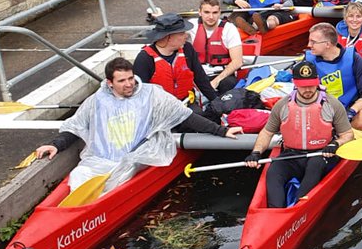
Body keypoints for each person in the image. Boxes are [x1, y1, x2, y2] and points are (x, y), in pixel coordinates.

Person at [35, 58, 242, 193]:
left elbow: (185, 117)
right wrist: (55, 145)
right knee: (79, 174)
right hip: (102, 159)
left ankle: (97, 201)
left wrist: (222, 131)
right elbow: (75, 126)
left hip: (138, 156)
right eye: (122, 81)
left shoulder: (152, 94)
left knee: (116, 176)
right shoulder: (96, 101)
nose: (129, 84)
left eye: (131, 78)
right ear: (110, 83)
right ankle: (77, 207)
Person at [244, 61, 355, 208]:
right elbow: (267, 132)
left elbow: (347, 134)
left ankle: (298, 207)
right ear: (295, 84)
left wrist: (335, 144)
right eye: (303, 86)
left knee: (315, 166)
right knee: (273, 171)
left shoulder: (332, 104)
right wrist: (256, 152)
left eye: (311, 85)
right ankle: (275, 211)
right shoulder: (282, 105)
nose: (308, 89)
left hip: (322, 154)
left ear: (317, 82)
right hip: (292, 155)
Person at [134, 13, 219, 108]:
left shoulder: (187, 49)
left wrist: (217, 102)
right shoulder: (144, 59)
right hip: (160, 110)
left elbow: (201, 80)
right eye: (182, 33)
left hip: (187, 104)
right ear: (168, 37)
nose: (186, 36)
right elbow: (140, 95)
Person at [304, 22, 362, 131]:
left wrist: (351, 112)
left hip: (348, 108)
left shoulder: (354, 59)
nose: (309, 45)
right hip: (320, 109)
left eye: (313, 42)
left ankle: (343, 135)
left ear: (327, 44)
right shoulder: (308, 62)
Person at [188, 0, 243, 94]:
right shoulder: (192, 25)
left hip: (221, 74)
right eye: (206, 12)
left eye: (214, 13)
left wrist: (216, 81)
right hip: (198, 73)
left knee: (229, 84)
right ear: (199, 12)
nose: (211, 17)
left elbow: (237, 62)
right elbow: (171, 31)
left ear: (220, 13)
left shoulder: (229, 29)